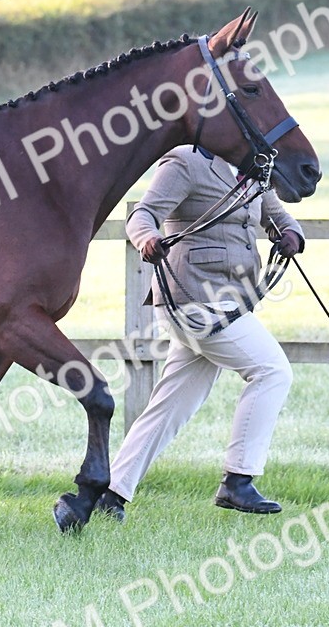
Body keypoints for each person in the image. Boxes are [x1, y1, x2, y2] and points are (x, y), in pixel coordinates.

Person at [97, 145, 305, 520]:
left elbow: (277, 214)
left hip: (231, 299)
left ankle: (111, 494)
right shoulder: (186, 163)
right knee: (272, 371)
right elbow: (142, 214)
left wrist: (292, 234)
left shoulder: (255, 166)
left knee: (170, 405)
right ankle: (237, 480)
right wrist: (145, 238)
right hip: (192, 299)